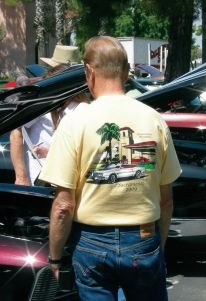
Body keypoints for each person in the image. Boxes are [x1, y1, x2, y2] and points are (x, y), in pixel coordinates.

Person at [39, 36, 181, 300]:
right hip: (143, 236)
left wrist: (55, 259)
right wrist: (157, 247)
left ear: (88, 71)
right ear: (127, 72)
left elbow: (63, 207)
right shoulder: (154, 119)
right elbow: (166, 200)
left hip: (91, 242)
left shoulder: (75, 122)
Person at [10, 53, 82, 186]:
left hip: (64, 177)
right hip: (41, 175)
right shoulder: (43, 102)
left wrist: (49, 153)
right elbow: (16, 131)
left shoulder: (77, 110)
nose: (45, 71)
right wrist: (21, 177)